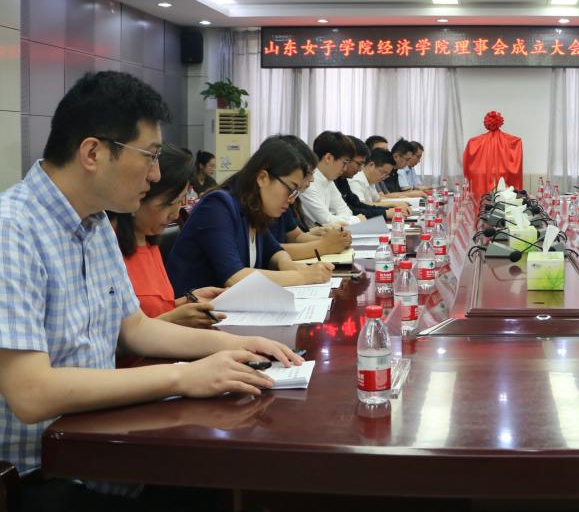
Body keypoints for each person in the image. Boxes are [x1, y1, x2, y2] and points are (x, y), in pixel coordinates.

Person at [0, 72, 299, 509]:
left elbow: (135, 328)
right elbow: (31, 393)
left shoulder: (96, 223)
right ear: (92, 153)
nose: (156, 173)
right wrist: (183, 376)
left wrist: (236, 343)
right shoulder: (12, 230)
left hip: (102, 444)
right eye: (150, 156)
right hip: (45, 474)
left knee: (233, 478)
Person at [166, 137, 335, 295]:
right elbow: (235, 277)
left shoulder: (253, 210)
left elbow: (274, 251)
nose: (291, 200)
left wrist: (286, 263)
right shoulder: (218, 205)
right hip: (191, 311)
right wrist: (303, 276)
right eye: (290, 189)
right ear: (262, 178)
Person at [109, 145, 225, 327]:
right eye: (169, 203)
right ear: (140, 194)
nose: (175, 214)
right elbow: (115, 336)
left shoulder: (149, 241)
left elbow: (155, 311)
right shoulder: (106, 245)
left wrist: (187, 302)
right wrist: (173, 319)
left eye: (180, 202)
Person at [260, 134, 353, 261]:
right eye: (308, 173)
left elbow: (296, 237)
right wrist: (324, 245)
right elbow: (268, 250)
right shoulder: (237, 205)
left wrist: (334, 240)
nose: (312, 179)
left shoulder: (283, 197)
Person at [300, 130, 365, 227]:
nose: (345, 169)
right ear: (328, 158)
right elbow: (326, 221)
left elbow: (346, 211)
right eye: (344, 163)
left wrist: (340, 219)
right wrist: (357, 219)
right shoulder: (308, 183)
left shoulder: (328, 180)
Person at [336, 136, 403, 221]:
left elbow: (358, 205)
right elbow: (352, 210)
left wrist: (388, 210)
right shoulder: (355, 179)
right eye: (344, 162)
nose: (360, 169)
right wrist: (387, 212)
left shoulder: (342, 179)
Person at [350, 148, 412, 214]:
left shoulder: (371, 181)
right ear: (371, 165)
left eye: (387, 175)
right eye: (383, 172)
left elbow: (377, 201)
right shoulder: (356, 180)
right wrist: (394, 204)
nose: (384, 177)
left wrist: (398, 202)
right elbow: (361, 205)